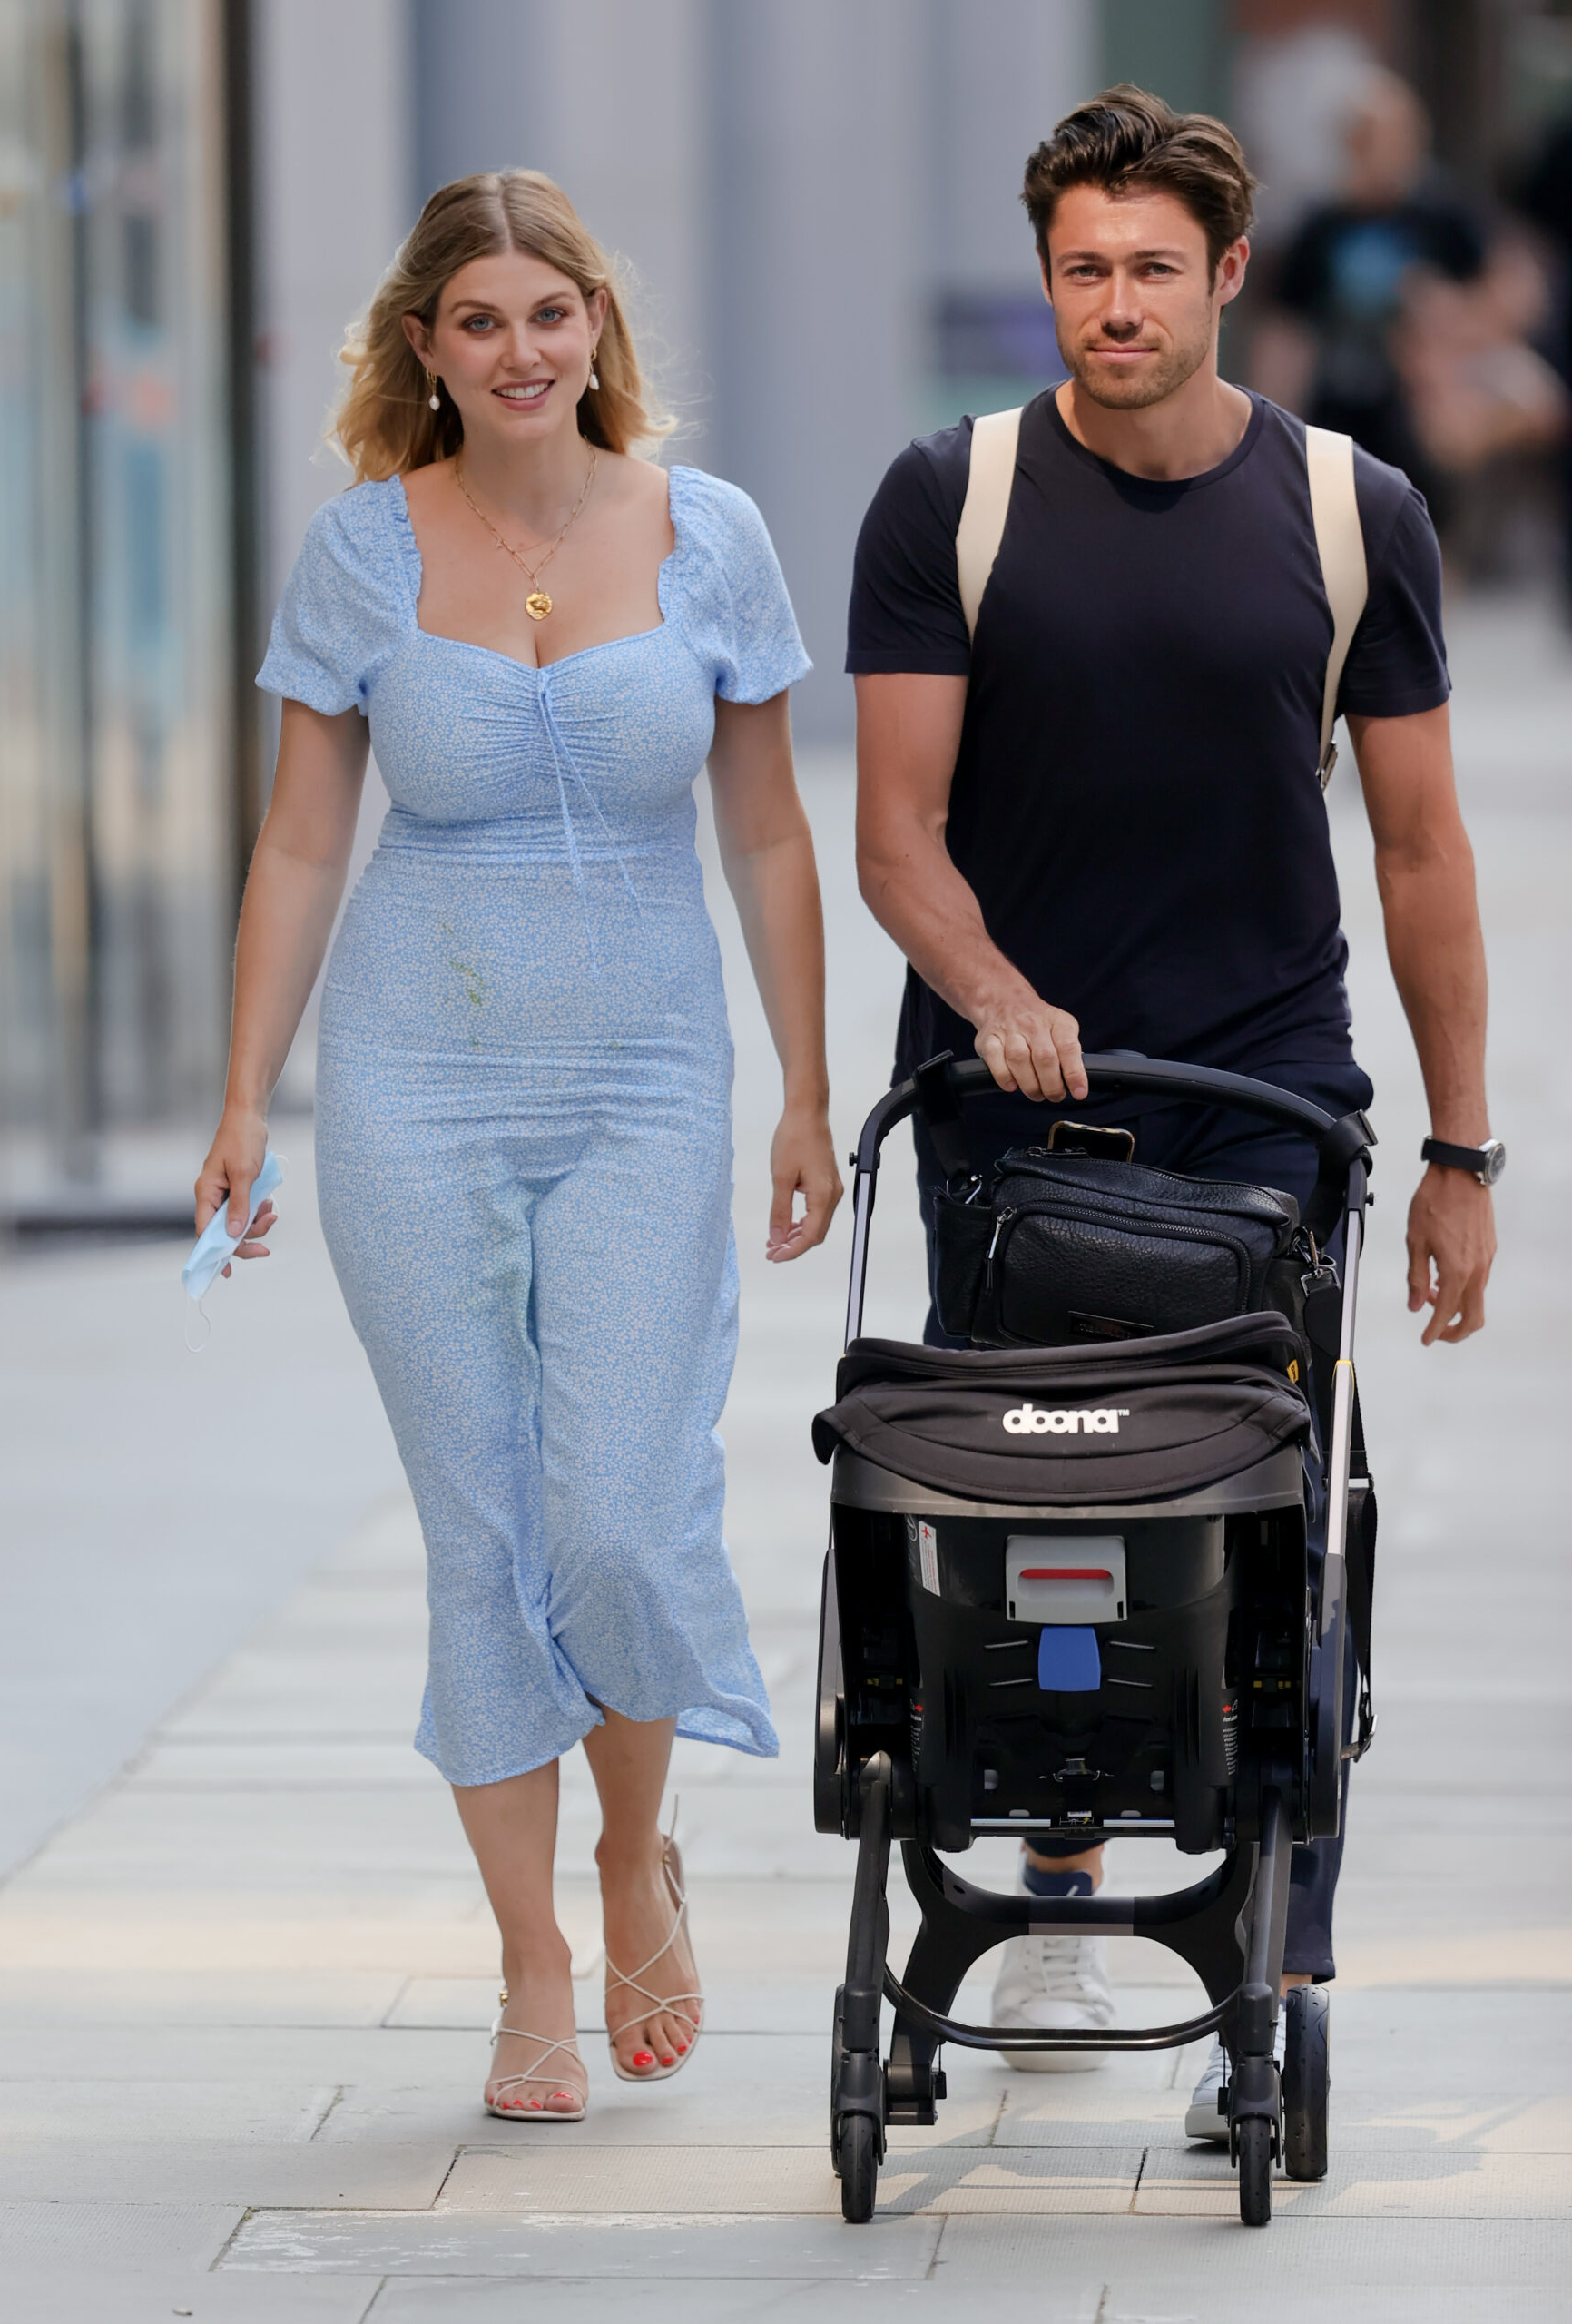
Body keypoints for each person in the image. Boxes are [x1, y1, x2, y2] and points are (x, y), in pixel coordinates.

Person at [848, 88, 1498, 2128]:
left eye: (1146, 269)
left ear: (1227, 272)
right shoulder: (942, 495)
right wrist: (991, 993)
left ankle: (1273, 1964)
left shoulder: (1342, 510)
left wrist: (1460, 1148)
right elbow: (890, 832)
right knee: (1004, 1509)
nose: (1107, 306)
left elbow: (1415, 851)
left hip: (1255, 1106)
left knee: (1268, 1542)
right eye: (1075, 270)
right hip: (1004, 1114)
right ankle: (1029, 1812)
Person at [195, 170, 842, 2123]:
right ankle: (532, 1960)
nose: (517, 349)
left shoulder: (709, 535)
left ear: (594, 329)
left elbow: (765, 835)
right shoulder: (360, 554)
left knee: (620, 1511)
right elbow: (306, 841)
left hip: (645, 1076)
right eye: (476, 320)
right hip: (414, 1078)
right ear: (424, 350)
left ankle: (632, 1849)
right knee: (482, 1525)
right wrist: (243, 1095)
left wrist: (804, 1087)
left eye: (546, 312)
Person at [1259, 70, 1487, 525]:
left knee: (1424, 528)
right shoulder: (1321, 226)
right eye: (1378, 140)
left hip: (1419, 407)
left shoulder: (1443, 215)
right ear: (1353, 146)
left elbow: (1501, 292)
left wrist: (1449, 313)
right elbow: (1287, 331)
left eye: (1403, 138)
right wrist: (1272, 423)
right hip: (1339, 401)